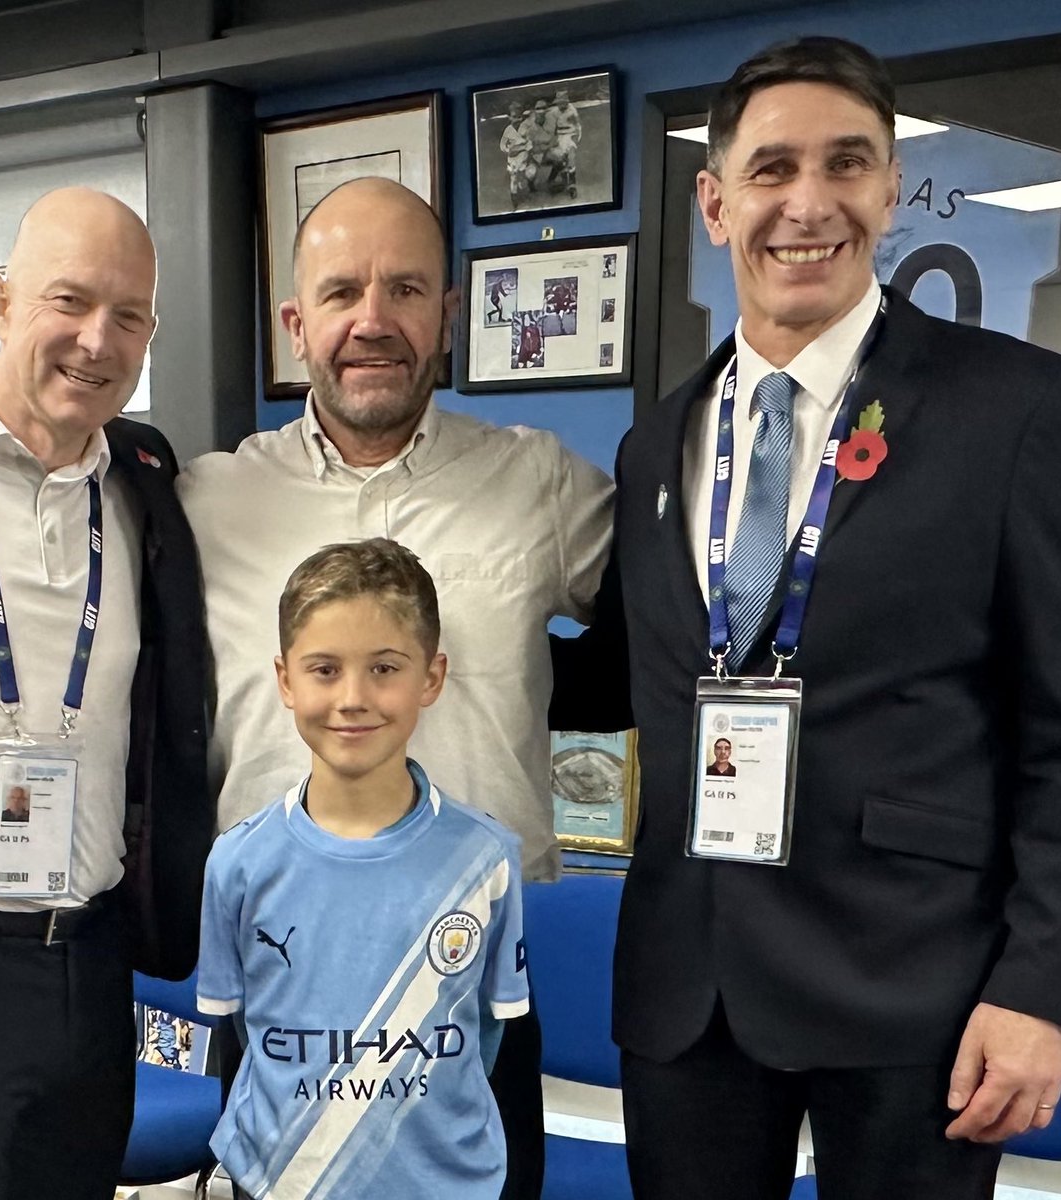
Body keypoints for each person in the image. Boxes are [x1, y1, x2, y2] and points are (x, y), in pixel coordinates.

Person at [551, 36, 1061, 1200]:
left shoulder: (1020, 413)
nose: (808, 202)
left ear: (890, 189)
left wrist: (1039, 986)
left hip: (916, 987)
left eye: (848, 164)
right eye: (773, 169)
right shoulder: (659, 443)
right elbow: (627, 673)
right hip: (690, 990)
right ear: (715, 201)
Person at [178, 175, 613, 1200]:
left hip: (471, 972)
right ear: (294, 325)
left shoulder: (539, 483)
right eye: (340, 294)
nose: (372, 321)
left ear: (448, 316)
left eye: (406, 290)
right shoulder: (208, 502)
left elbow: (690, 627)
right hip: (279, 975)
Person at [0, 186, 212, 1200]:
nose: (95, 340)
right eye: (67, 301)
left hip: (96, 966)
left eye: (130, 315)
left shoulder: (147, 477)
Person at [197, 538, 528, 1200]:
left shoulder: (485, 858)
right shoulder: (238, 861)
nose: (352, 698)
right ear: (285, 680)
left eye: (384, 668)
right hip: (280, 1183)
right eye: (324, 669)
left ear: (431, 678)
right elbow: (244, 1038)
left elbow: (490, 1042)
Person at [546, 88, 582, 198]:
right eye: (559, 102)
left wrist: (576, 138)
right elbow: (550, 127)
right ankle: (552, 179)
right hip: (559, 137)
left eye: (563, 102)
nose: (561, 104)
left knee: (571, 158)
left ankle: (572, 184)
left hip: (570, 136)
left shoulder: (572, 111)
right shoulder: (554, 112)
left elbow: (578, 126)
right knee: (559, 159)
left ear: (567, 102)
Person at [498, 100, 532, 210]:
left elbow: (529, 143)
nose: (516, 120)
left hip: (523, 157)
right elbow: (502, 146)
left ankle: (524, 191)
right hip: (513, 158)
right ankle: (514, 198)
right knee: (514, 178)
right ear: (510, 117)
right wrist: (510, 149)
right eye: (514, 117)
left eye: (519, 117)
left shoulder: (525, 127)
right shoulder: (508, 130)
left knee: (522, 176)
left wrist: (522, 148)